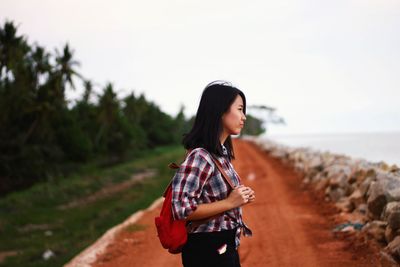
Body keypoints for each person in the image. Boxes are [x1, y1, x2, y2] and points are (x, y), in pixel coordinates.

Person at [171, 81, 255, 267]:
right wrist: (230, 202)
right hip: (208, 251)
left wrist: (239, 197)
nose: (244, 117)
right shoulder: (200, 156)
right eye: (240, 109)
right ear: (220, 111)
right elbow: (181, 209)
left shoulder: (219, 154)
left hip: (223, 246)